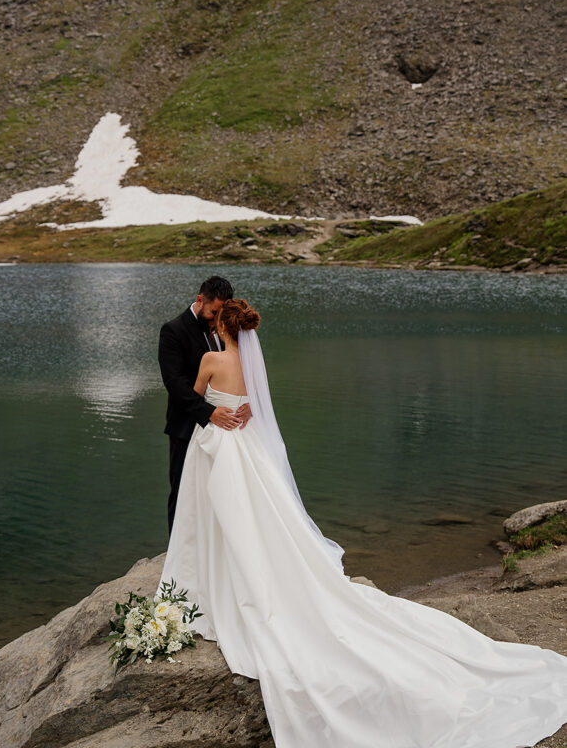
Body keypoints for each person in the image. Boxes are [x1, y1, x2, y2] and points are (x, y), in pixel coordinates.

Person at [159, 298, 567, 748]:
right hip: (247, 446)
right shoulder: (253, 364)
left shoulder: (211, 360)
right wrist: (239, 408)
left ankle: (213, 578)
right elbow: (255, 404)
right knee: (255, 515)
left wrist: (216, 410)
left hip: (218, 444)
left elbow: (194, 398)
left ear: (222, 326)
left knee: (216, 512)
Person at [157, 276, 251, 534]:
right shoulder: (173, 331)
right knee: (184, 493)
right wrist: (210, 413)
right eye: (213, 312)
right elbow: (175, 384)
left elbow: (247, 372)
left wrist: (251, 404)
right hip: (187, 427)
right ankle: (178, 554)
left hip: (227, 432)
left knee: (223, 493)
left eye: (221, 313)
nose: (217, 319)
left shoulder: (228, 330)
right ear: (200, 300)